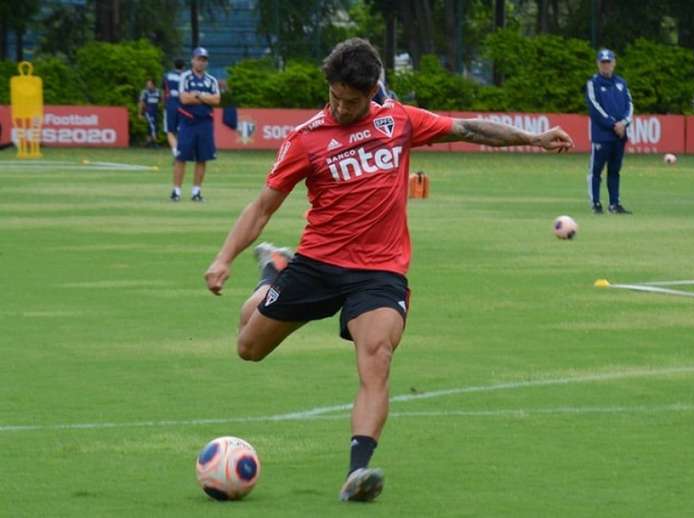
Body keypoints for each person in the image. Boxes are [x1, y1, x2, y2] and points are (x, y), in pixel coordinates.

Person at [203, 38, 573, 503]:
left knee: (376, 357)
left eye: (351, 101)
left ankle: (358, 472)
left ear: (373, 89)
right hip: (316, 263)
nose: (339, 107)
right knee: (248, 347)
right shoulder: (306, 138)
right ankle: (273, 273)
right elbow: (262, 208)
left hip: (379, 272)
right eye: (334, 96)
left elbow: (469, 129)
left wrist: (533, 139)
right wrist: (223, 258)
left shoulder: (398, 121)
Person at [584, 48, 634, 214]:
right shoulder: (593, 83)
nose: (606, 66)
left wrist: (624, 123)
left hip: (619, 136)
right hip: (602, 135)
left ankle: (614, 204)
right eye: (603, 62)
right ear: (598, 64)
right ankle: (596, 203)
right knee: (596, 171)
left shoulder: (621, 83)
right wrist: (614, 124)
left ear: (614, 63)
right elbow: (595, 108)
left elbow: (630, 105)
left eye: (609, 62)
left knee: (614, 170)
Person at [171, 47, 220, 202]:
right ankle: (176, 191)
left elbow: (216, 100)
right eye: (198, 59)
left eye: (204, 60)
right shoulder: (185, 77)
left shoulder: (211, 80)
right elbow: (184, 99)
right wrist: (205, 97)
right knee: (181, 157)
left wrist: (197, 95)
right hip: (188, 122)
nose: (201, 62)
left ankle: (196, 192)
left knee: (202, 157)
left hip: (205, 122)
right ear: (192, 60)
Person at [163, 58, 187, 158]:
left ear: (174, 65)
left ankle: (175, 151)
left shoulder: (167, 76)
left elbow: (164, 91)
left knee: (170, 131)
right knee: (184, 130)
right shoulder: (186, 76)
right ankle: (183, 150)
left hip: (170, 105)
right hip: (183, 106)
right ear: (183, 66)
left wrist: (164, 102)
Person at [138, 79, 161, 148]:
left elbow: (161, 100)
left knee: (152, 128)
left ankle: (146, 143)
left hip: (155, 112)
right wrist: (140, 113)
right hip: (148, 112)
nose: (148, 86)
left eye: (150, 84)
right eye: (147, 84)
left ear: (153, 85)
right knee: (152, 127)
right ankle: (155, 143)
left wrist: (161, 106)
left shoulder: (158, 91)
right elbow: (141, 103)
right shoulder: (144, 92)